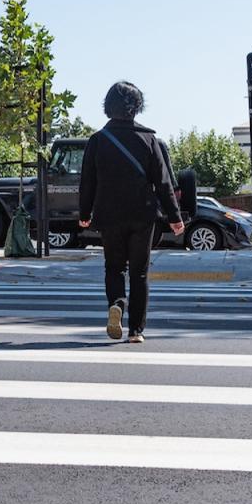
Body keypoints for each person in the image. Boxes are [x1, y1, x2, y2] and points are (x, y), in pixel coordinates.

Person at [79, 81, 184, 343]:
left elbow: (87, 182)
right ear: (137, 108)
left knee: (114, 268)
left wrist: (84, 213)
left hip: (109, 215)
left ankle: (116, 305)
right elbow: (163, 183)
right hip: (143, 215)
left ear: (107, 106)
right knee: (139, 272)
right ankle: (136, 331)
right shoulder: (149, 140)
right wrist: (175, 218)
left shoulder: (97, 141)